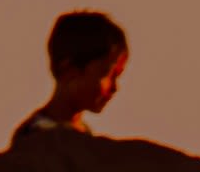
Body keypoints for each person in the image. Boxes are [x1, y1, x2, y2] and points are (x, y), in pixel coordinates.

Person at [14, 10, 129, 140]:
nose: (114, 87)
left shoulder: (84, 134)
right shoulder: (35, 136)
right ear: (69, 71)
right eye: (107, 74)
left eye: (117, 76)